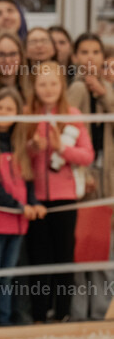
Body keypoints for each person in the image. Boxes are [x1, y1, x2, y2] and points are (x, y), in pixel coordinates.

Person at [21, 61, 94, 322]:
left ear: (62, 85)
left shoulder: (73, 114)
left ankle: (62, 312)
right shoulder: (27, 114)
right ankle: (39, 314)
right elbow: (19, 156)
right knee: (39, 257)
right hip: (36, 199)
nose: (48, 88)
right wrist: (33, 146)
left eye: (53, 83)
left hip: (65, 198)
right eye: (43, 83)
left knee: (64, 255)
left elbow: (87, 155)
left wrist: (61, 149)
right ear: (35, 87)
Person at [0, 89, 44, 326]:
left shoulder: (19, 145)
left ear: (18, 114)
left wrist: (33, 203)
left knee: (7, 276)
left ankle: (4, 320)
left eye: (9, 109)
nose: (3, 113)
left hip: (18, 223)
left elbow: (28, 179)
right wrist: (18, 205)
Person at [67, 33, 114, 320]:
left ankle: (100, 311)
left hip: (107, 179)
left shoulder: (108, 89)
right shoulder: (74, 90)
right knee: (80, 249)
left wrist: (103, 92)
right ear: (74, 57)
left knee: (102, 251)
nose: (89, 58)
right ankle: (77, 313)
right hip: (82, 178)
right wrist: (82, 175)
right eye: (83, 51)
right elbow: (68, 134)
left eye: (95, 52)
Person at [0, 31, 27, 102]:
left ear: (21, 56)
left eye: (12, 54)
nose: (7, 60)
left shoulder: (33, 88)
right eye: (1, 54)